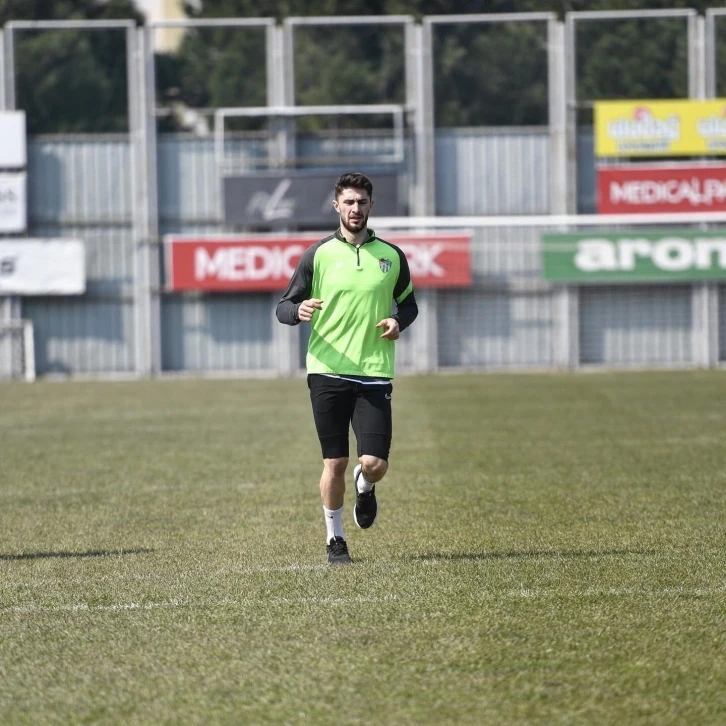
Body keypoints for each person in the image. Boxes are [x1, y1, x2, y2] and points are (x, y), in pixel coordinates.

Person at [276, 172, 419, 565]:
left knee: (375, 464)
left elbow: (409, 305)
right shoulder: (317, 255)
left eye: (362, 202)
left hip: (374, 371)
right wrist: (298, 310)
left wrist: (398, 321)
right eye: (349, 202)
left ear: (372, 205)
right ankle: (335, 539)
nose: (356, 209)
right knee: (334, 462)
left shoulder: (392, 256)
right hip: (327, 370)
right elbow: (283, 307)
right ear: (336, 205)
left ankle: (365, 486)